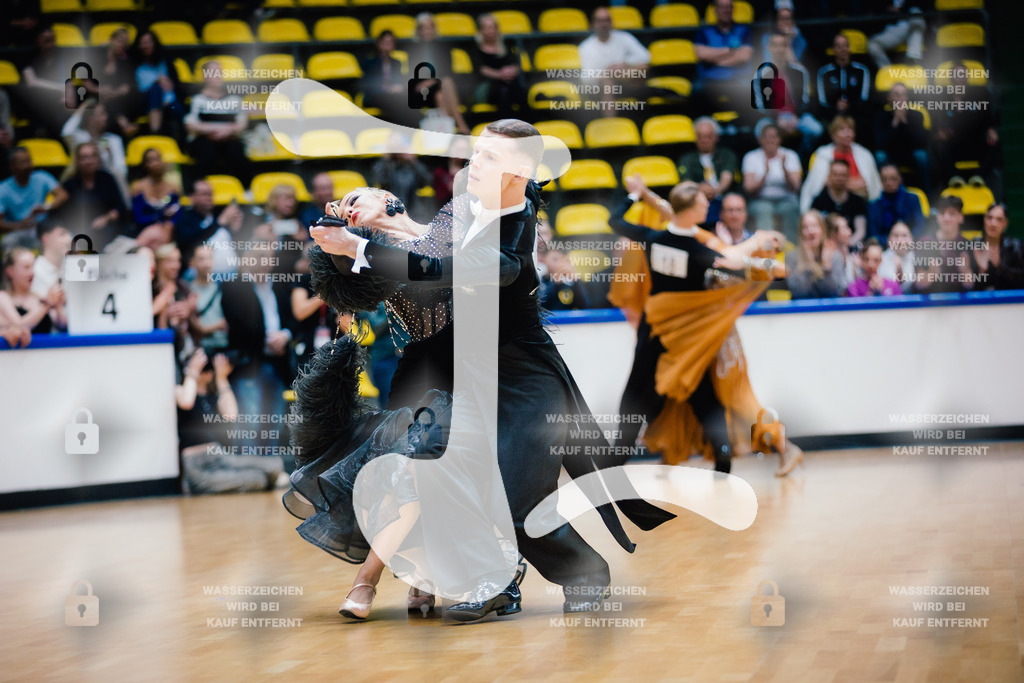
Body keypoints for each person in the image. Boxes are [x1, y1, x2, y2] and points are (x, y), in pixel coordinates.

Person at [310, 120, 675, 619]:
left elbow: (447, 268)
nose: (472, 164)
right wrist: (370, 232)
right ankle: (492, 584)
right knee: (433, 473)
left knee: (520, 503)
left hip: (523, 380)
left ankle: (585, 574)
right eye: (476, 153)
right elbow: (429, 249)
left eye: (487, 158)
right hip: (463, 374)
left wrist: (362, 249)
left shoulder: (514, 235)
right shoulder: (461, 206)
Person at [609, 176, 801, 475]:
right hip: (695, 333)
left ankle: (773, 448)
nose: (711, 206)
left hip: (701, 333)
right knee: (699, 396)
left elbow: (653, 215)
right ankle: (718, 462)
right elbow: (734, 263)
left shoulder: (673, 239)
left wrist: (638, 195)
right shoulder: (701, 245)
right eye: (705, 202)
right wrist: (766, 253)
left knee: (726, 397)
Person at [177, 348, 287, 494]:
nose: (206, 373)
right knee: (256, 480)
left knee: (275, 464)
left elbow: (231, 414)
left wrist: (221, 378)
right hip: (197, 465)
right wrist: (192, 370)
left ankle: (277, 477)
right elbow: (186, 402)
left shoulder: (213, 397)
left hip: (221, 457)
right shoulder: (179, 390)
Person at [221, 244, 295, 454]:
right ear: (248, 258)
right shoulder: (235, 286)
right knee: (249, 422)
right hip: (248, 362)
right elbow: (238, 322)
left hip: (277, 362)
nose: (266, 263)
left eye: (270, 258)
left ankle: (268, 471)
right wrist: (266, 339)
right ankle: (247, 474)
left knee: (273, 423)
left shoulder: (279, 286)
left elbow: (293, 320)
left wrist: (285, 336)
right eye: (261, 257)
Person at [754, 32, 821, 161]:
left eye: (783, 45)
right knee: (759, 131)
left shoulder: (800, 71)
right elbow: (760, 106)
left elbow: (807, 100)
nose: (779, 49)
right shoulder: (761, 74)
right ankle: (769, 164)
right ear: (769, 48)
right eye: (775, 46)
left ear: (788, 48)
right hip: (772, 117)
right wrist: (777, 119)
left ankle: (801, 160)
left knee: (815, 129)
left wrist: (796, 117)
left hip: (796, 115)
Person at [56, 142, 129, 251]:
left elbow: (120, 207)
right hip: (80, 234)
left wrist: (106, 218)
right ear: (77, 161)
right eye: (84, 158)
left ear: (97, 159)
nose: (89, 162)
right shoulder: (69, 184)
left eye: (92, 157)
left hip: (109, 231)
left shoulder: (107, 178)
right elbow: (64, 216)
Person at [801, 116, 881, 213]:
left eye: (850, 129)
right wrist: (852, 184)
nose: (847, 134)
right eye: (842, 130)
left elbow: (866, 186)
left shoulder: (864, 154)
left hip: (859, 205)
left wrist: (837, 183)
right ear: (833, 135)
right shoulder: (822, 154)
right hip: (828, 205)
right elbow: (819, 185)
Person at [407, 13, 470, 135]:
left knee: (442, 91)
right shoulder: (413, 49)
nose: (427, 31)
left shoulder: (444, 47)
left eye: (430, 27)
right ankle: (461, 125)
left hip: (440, 86)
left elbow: (448, 71)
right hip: (423, 91)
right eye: (424, 28)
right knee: (445, 85)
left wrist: (432, 81)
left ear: (434, 29)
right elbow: (413, 75)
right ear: (419, 31)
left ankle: (449, 130)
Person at [184, 61, 248, 181]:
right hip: (203, 141)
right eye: (213, 72)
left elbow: (241, 124)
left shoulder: (234, 99)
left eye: (220, 72)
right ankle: (200, 189)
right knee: (206, 151)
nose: (218, 75)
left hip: (229, 139)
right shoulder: (196, 99)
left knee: (237, 150)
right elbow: (191, 125)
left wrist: (227, 131)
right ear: (205, 76)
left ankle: (244, 190)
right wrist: (220, 128)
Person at [577, 6, 650, 111]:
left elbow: (645, 56)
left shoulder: (624, 37)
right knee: (607, 80)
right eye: (600, 21)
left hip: (626, 80)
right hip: (600, 88)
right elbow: (587, 77)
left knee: (643, 66)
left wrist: (624, 64)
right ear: (593, 24)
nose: (604, 24)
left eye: (607, 20)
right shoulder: (585, 47)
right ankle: (612, 123)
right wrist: (608, 72)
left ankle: (643, 114)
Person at [61, 100, 130, 204]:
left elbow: (122, 171)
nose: (106, 117)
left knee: (118, 178)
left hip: (107, 184)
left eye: (105, 113)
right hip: (82, 182)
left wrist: (109, 157)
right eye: (102, 113)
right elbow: (66, 132)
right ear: (90, 118)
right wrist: (83, 108)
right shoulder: (81, 137)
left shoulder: (113, 140)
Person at [0, 146, 68, 252]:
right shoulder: (3, 189)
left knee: (66, 238)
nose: (28, 165)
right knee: (8, 242)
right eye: (22, 162)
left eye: (29, 160)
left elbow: (63, 195)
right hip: (17, 231)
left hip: (42, 227)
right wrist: (18, 225)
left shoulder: (41, 176)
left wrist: (45, 207)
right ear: (12, 166)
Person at [742, 123, 802, 240]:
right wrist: (764, 174)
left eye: (774, 136)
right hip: (760, 199)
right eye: (766, 137)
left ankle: (792, 252)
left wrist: (785, 169)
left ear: (780, 139)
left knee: (789, 209)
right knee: (763, 210)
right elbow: (748, 189)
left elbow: (796, 187)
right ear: (760, 139)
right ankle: (767, 251)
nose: (770, 140)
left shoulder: (790, 155)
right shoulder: (751, 157)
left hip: (786, 198)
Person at [693, 0, 754, 116]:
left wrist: (714, 59)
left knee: (750, 89)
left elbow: (745, 56)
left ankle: (745, 129)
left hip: (737, 79)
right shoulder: (704, 32)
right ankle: (704, 126)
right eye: (722, 7)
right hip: (710, 80)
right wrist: (731, 51)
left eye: (729, 7)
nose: (726, 10)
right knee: (697, 89)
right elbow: (701, 54)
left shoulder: (744, 30)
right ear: (715, 10)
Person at [677, 117, 737, 227]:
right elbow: (685, 181)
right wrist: (700, 189)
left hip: (722, 198)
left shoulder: (726, 154)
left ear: (716, 137)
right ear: (695, 137)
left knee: (734, 205)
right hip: (697, 199)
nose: (704, 140)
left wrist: (716, 190)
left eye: (708, 136)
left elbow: (727, 176)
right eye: (700, 136)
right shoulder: (687, 159)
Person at [174, 178, 245, 270]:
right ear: (192, 197)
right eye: (204, 194)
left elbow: (237, 245)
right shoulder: (184, 218)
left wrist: (236, 229)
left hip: (231, 277)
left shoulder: (218, 215)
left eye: (211, 194)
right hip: (196, 276)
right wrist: (220, 222)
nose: (209, 198)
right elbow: (190, 243)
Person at [873, 83, 929, 194]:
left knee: (922, 156)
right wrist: (895, 122)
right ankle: (880, 194)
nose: (900, 99)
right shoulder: (881, 116)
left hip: (910, 154)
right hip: (890, 155)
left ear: (907, 98)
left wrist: (904, 122)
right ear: (889, 98)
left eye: (903, 95)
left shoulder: (917, 115)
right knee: (880, 156)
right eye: (896, 95)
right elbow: (880, 143)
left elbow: (920, 142)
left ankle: (927, 195)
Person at [816, 33, 872, 139]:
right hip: (832, 114)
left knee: (865, 123)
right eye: (839, 46)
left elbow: (865, 99)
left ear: (850, 48)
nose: (843, 49)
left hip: (856, 114)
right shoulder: (824, 72)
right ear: (833, 49)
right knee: (826, 126)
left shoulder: (862, 70)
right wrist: (836, 108)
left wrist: (849, 106)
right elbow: (822, 102)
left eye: (845, 45)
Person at [471, 13, 527, 118]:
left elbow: (516, 65)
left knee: (518, 89)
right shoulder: (475, 48)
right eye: (487, 28)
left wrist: (512, 70)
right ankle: (506, 126)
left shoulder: (505, 46)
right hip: (486, 87)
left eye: (493, 27)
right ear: (481, 30)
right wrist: (500, 75)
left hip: (507, 84)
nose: (491, 31)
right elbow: (481, 69)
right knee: (504, 91)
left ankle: (529, 124)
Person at [913, 196, 972, 294]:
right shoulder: (924, 243)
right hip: (931, 302)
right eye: (942, 213)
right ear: (937, 217)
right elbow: (918, 284)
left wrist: (965, 272)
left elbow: (971, 286)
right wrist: (930, 275)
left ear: (961, 217)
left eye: (952, 213)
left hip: (960, 304)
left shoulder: (968, 245)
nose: (946, 218)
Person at [132, 30, 185, 139]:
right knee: (156, 90)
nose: (146, 45)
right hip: (145, 102)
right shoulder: (134, 65)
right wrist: (157, 81)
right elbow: (136, 91)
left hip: (170, 102)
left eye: (149, 42)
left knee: (177, 110)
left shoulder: (166, 62)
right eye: (143, 42)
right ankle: (155, 133)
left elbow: (175, 85)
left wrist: (170, 84)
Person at [0, 246, 65, 334]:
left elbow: (62, 326)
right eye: (26, 267)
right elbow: (19, 327)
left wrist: (58, 306)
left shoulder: (38, 297)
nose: (32, 272)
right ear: (10, 271)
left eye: (33, 266)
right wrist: (46, 305)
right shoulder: (3, 297)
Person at [370, 136, 433, 222]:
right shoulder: (386, 165)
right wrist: (387, 158)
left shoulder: (411, 166)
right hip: (391, 210)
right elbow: (382, 181)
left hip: (414, 211)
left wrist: (413, 161)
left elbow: (426, 181)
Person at [785, 210, 847, 298]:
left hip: (829, 310)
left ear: (823, 230)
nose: (811, 231)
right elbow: (798, 293)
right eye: (805, 227)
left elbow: (833, 293)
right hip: (801, 310)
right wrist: (808, 265)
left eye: (815, 226)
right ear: (800, 232)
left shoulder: (835, 256)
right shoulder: (791, 257)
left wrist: (826, 266)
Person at [131, 148, 182, 248]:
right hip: (144, 233)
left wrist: (169, 225)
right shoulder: (138, 187)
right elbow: (137, 218)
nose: (156, 164)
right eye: (151, 160)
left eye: (158, 159)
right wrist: (161, 217)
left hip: (169, 234)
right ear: (145, 165)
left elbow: (178, 215)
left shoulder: (173, 188)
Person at [968, 203, 1024, 291]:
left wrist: (1000, 267)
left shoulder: (1015, 247)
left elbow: (1021, 282)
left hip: (1009, 302)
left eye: (999, 219)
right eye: (989, 218)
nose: (993, 223)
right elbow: (967, 288)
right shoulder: (972, 247)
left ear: (1005, 223)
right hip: (979, 302)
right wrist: (981, 272)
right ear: (984, 219)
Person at [811, 160, 868, 245]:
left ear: (849, 177)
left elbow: (860, 231)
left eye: (843, 175)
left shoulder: (857, 202)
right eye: (835, 174)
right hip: (824, 245)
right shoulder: (819, 201)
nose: (839, 178)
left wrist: (846, 244)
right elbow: (813, 228)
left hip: (850, 245)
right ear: (829, 176)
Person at [187, 244, 229, 353]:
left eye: (210, 258)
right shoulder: (188, 291)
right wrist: (218, 325)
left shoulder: (223, 289)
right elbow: (195, 326)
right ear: (193, 263)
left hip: (224, 348)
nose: (207, 264)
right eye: (201, 259)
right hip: (200, 349)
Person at [98, 27, 138, 139]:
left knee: (113, 99)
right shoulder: (99, 56)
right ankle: (124, 124)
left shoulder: (125, 62)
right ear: (112, 40)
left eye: (125, 43)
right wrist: (100, 90)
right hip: (97, 95)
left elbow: (127, 85)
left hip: (115, 98)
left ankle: (123, 124)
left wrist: (116, 92)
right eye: (120, 41)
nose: (122, 45)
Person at [360, 30, 407, 124]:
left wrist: (399, 88)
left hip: (393, 97)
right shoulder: (370, 62)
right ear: (379, 44)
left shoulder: (397, 63)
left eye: (391, 42)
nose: (388, 45)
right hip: (375, 96)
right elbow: (370, 86)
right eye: (385, 42)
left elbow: (399, 82)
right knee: (396, 104)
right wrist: (389, 90)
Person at [868, 164, 925, 240]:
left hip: (911, 243)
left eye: (893, 178)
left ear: (900, 179)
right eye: (884, 179)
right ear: (880, 181)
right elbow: (874, 233)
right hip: (885, 247)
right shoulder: (874, 206)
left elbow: (920, 225)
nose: (889, 183)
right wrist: (890, 243)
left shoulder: (912, 199)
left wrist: (907, 240)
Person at [866, 0, 925, 68]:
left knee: (916, 16)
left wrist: (901, 10)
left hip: (912, 27)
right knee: (872, 45)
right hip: (892, 31)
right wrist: (888, 9)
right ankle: (888, 73)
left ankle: (912, 61)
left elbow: (924, 8)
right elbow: (875, 10)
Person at [30, 219, 71, 300]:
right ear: (45, 239)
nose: (69, 239)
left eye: (69, 234)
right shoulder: (34, 271)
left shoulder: (74, 267)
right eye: (62, 234)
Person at [878, 221, 915, 292]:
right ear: (888, 239)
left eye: (904, 236)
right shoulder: (879, 259)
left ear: (911, 239)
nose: (900, 241)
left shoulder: (918, 258)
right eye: (895, 236)